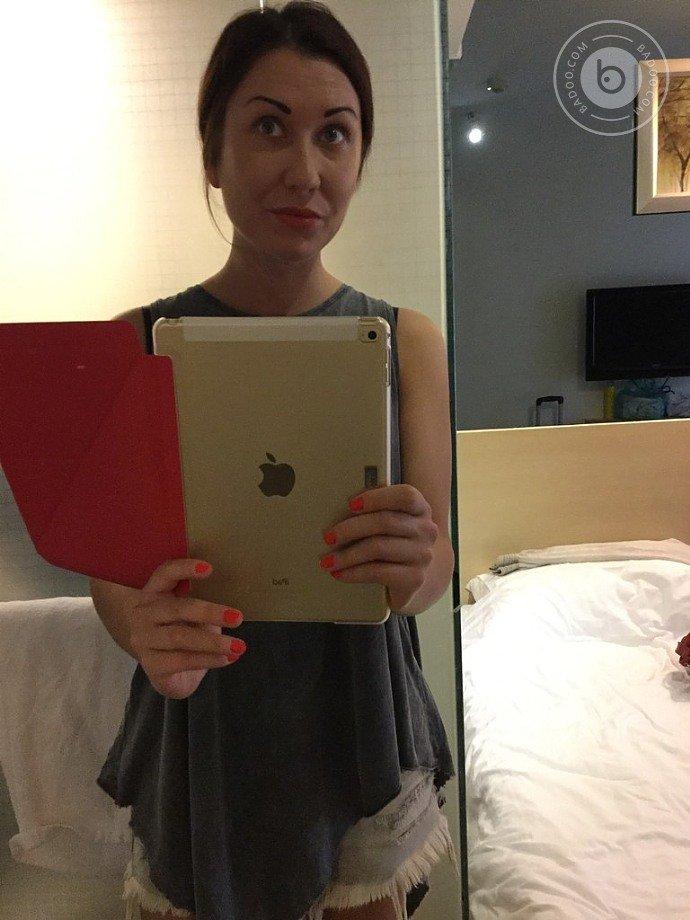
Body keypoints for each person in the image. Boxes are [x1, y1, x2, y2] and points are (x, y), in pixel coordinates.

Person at [90, 4, 459, 919]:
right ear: (212, 155)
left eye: (335, 134)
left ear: (360, 157)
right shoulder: (131, 347)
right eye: (267, 127)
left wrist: (415, 562)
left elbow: (435, 565)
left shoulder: (408, 342)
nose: (306, 170)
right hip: (198, 729)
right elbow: (113, 573)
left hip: (360, 724)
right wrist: (142, 626)